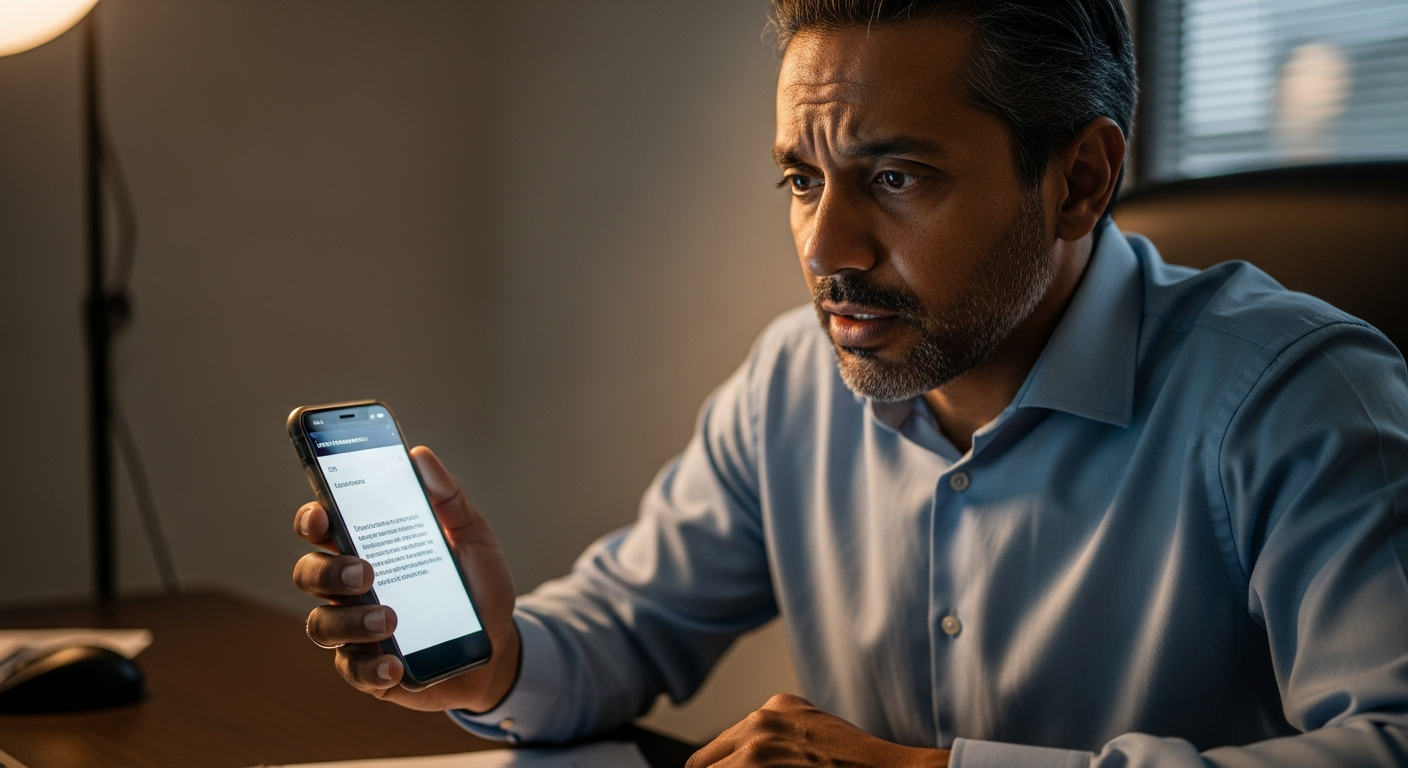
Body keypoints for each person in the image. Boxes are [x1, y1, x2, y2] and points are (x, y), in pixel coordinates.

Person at [290, 1, 1408, 766]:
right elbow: (630, 627)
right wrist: (491, 661)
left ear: (1080, 179)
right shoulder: (793, 380)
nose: (826, 246)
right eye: (801, 178)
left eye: (896, 176)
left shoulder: (1298, 399)